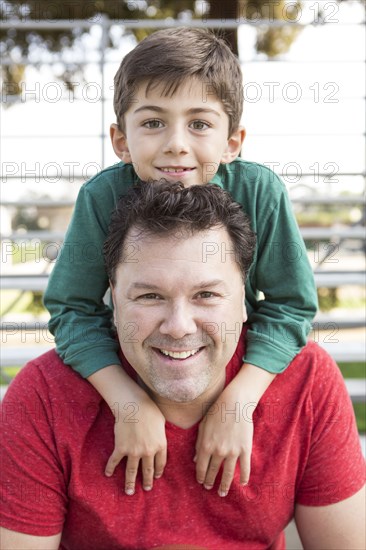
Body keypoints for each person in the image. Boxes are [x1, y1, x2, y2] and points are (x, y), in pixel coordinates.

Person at [1, 182, 364, 550]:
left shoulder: (306, 381)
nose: (178, 326)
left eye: (206, 295)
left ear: (243, 297)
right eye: (149, 296)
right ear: (113, 295)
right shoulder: (44, 396)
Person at [43, 27, 318, 496]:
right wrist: (127, 403)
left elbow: (291, 304)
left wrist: (238, 403)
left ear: (233, 141)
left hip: (221, 361)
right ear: (120, 140)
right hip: (140, 356)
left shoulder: (260, 192)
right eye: (152, 122)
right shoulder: (101, 197)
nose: (175, 143)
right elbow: (72, 308)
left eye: (199, 123)